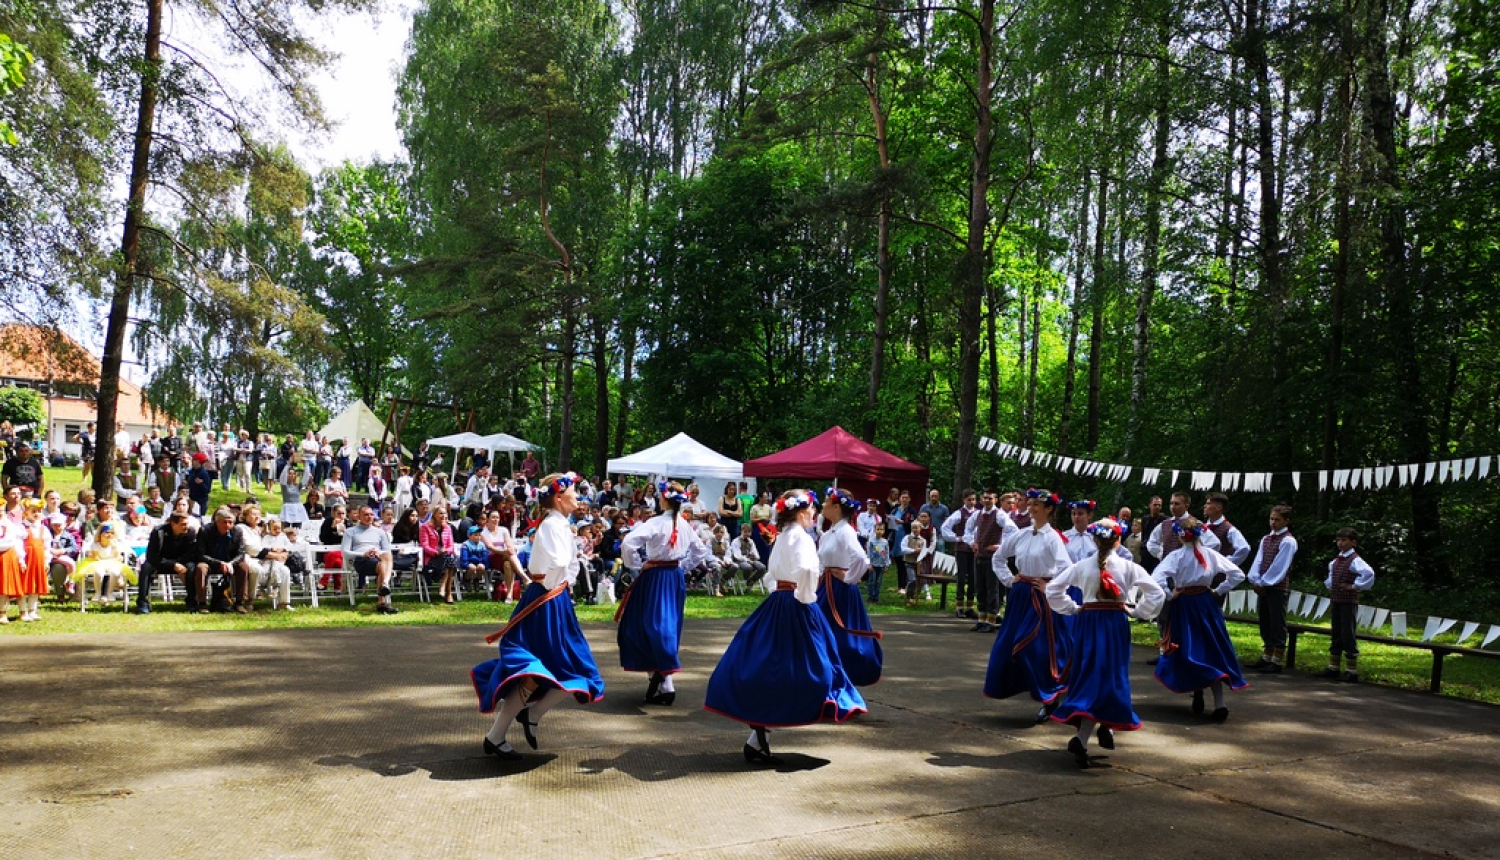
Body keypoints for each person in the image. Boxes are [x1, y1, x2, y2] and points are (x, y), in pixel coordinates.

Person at [704, 489, 866, 765]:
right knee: (814, 666)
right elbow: (805, 570)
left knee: (769, 662)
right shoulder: (801, 537)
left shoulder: (782, 537)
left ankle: (760, 731)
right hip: (796, 604)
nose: (815, 513)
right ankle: (781, 720)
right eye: (812, 509)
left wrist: (781, 592)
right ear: (802, 513)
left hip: (778, 601)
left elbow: (770, 572)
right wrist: (806, 597)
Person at [471, 472, 604, 760]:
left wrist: (562, 586)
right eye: (573, 493)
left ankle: (525, 717)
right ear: (558, 497)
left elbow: (563, 568)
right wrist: (558, 585)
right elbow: (552, 568)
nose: (578, 497)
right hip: (547, 601)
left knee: (573, 669)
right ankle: (502, 731)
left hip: (555, 600)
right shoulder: (552, 526)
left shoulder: (559, 525)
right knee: (540, 670)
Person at [1046, 517, 1165, 768]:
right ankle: (1088, 734)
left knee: (1090, 673)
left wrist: (1073, 608)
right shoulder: (1128, 566)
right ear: (1118, 540)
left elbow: (1054, 589)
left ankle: (1100, 729)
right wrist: (1138, 611)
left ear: (1094, 538)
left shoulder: (1081, 566)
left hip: (1088, 623)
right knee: (1110, 676)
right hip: (1114, 625)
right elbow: (1157, 592)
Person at [617, 480, 709, 705]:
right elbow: (700, 550)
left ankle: (665, 678)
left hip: (655, 576)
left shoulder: (656, 522)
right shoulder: (684, 524)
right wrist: (683, 566)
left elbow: (628, 542)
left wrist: (638, 564)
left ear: (663, 499)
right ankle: (659, 676)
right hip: (673, 577)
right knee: (665, 623)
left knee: (650, 624)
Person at [984, 489, 1071, 722]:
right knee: (1008, 646)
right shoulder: (1021, 534)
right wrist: (1009, 579)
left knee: (1032, 647)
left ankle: (1050, 697)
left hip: (1040, 599)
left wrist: (1050, 587)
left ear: (1049, 509)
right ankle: (1039, 694)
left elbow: (1066, 568)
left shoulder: (1053, 537)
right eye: (1030, 503)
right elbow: (998, 557)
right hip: (1021, 594)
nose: (1032, 508)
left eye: (1037, 505)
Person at [1153, 517, 1248, 721]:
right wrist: (1218, 590)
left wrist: (1170, 594)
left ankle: (1198, 691)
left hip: (1185, 605)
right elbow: (1237, 574)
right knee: (1211, 648)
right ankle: (1219, 702)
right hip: (1206, 605)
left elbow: (1156, 579)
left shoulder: (1176, 556)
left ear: (1180, 536)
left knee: (1190, 648)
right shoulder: (1211, 554)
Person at [815, 487, 882, 686]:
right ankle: (826, 676)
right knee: (822, 631)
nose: (823, 505)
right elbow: (821, 562)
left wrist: (847, 577)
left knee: (839, 634)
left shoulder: (845, 531)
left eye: (826, 501)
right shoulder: (829, 533)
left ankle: (840, 677)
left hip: (838, 591)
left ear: (836, 507)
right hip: (825, 587)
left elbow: (861, 558)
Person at [1319, 527, 1375, 682]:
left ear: (1353, 542)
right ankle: (1334, 666)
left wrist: (1354, 586)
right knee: (1336, 631)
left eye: (1344, 540)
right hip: (1336, 600)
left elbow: (1369, 574)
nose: (1340, 543)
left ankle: (1351, 670)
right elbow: (1331, 578)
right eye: (1339, 540)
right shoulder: (1336, 561)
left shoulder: (1355, 560)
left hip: (1348, 602)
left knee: (1347, 633)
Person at [1247, 505, 1298, 674]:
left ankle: (1277, 659)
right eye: (1271, 519)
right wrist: (1255, 579)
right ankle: (1267, 656)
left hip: (1276, 587)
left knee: (1277, 622)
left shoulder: (1288, 541)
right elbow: (1259, 560)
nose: (1273, 523)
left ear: (1286, 521)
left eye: (1277, 520)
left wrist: (1265, 582)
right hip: (1263, 585)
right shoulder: (1266, 539)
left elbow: (1280, 566)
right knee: (1265, 621)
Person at [963, 490, 1018, 633]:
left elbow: (1013, 531)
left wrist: (1000, 546)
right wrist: (971, 543)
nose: (987, 500)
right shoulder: (977, 515)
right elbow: (967, 531)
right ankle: (981, 619)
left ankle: (991, 620)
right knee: (980, 589)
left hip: (993, 558)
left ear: (995, 500)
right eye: (985, 498)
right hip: (979, 556)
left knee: (992, 590)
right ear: (981, 499)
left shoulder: (999, 515)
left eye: (990, 498)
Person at [136, 511, 198, 615]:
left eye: (187, 524)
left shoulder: (190, 532)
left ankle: (191, 601)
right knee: (146, 567)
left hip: (182, 562)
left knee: (191, 567)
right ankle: (142, 602)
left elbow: (191, 554)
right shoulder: (158, 532)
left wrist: (178, 563)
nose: (186, 527)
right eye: (183, 524)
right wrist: (172, 564)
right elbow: (151, 556)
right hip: (161, 563)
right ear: (173, 524)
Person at [343, 505, 398, 614]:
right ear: (359, 516)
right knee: (383, 565)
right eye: (366, 514)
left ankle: (384, 589)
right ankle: (383, 599)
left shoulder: (380, 532)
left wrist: (378, 552)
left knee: (386, 556)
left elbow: (387, 550)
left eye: (371, 514)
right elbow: (345, 553)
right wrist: (363, 554)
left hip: (377, 558)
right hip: (361, 560)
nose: (369, 517)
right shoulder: (350, 532)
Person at [940, 490, 979, 620]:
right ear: (964, 500)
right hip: (962, 549)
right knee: (961, 577)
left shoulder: (978, 513)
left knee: (973, 578)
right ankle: (959, 606)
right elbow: (945, 528)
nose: (972, 502)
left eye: (973, 499)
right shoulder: (959, 514)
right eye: (969, 499)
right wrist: (957, 538)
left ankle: (969, 606)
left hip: (975, 549)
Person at [9, 500, 48, 621]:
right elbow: (18, 544)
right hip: (27, 560)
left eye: (39, 511)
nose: (36, 514)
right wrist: (21, 559)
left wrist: (46, 560)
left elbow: (46, 546)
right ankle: (23, 612)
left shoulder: (43, 529)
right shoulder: (21, 528)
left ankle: (32, 610)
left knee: (35, 587)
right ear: (25, 513)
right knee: (24, 586)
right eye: (33, 511)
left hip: (39, 560)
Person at [421, 504, 460, 604]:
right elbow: (425, 546)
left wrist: (445, 550)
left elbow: (451, 545)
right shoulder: (425, 528)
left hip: (446, 556)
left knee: (449, 558)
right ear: (434, 515)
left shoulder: (447, 528)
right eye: (440, 513)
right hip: (432, 558)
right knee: (451, 560)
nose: (443, 515)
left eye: (445, 513)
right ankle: (448, 593)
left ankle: (445, 589)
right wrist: (437, 552)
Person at [902, 510, 936, 606]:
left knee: (920, 578)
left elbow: (927, 547)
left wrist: (924, 553)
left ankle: (916, 596)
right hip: (909, 561)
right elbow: (903, 549)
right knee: (912, 579)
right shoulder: (907, 538)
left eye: (916, 528)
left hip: (919, 562)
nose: (915, 530)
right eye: (913, 528)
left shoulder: (923, 540)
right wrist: (913, 551)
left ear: (920, 529)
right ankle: (909, 595)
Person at [725, 523, 767, 591]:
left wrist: (754, 556)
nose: (747, 534)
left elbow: (756, 554)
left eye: (749, 532)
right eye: (745, 532)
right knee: (748, 567)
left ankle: (751, 581)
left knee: (762, 567)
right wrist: (747, 560)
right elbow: (737, 556)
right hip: (739, 560)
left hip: (750, 560)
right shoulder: (736, 541)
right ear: (741, 531)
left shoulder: (751, 541)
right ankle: (746, 579)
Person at [459, 525, 490, 597]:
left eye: (479, 535)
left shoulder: (482, 545)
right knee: (472, 568)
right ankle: (466, 580)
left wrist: (485, 564)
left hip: (479, 562)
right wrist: (466, 564)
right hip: (468, 562)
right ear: (469, 536)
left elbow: (485, 556)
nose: (478, 537)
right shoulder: (466, 545)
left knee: (482, 567)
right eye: (476, 535)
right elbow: (464, 557)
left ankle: (477, 580)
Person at [1138, 496, 1167, 572]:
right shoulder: (1145, 519)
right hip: (1145, 552)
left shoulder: (1165, 520)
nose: (1157, 507)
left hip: (1156, 553)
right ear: (1150, 505)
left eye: (1159, 505)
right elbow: (1144, 534)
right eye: (1155, 505)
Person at [865, 520, 891, 603]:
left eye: (881, 529)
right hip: (873, 564)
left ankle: (876, 597)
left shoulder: (885, 542)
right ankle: (870, 597)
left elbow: (887, 553)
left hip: (881, 565)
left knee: (878, 581)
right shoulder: (871, 541)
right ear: (874, 530)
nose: (879, 531)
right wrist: (869, 564)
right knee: (871, 581)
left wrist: (886, 564)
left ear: (884, 531)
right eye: (878, 529)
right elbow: (868, 553)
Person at [748, 491, 774, 563]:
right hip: (757, 528)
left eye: (767, 497)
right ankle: (757, 561)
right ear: (760, 498)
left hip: (766, 528)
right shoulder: (754, 508)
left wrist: (767, 520)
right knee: (758, 545)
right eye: (765, 497)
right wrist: (761, 519)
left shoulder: (768, 507)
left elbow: (770, 517)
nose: (766, 498)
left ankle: (766, 562)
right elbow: (752, 519)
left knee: (767, 546)